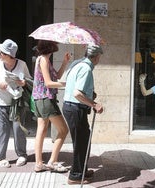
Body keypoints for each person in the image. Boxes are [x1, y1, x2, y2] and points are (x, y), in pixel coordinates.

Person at [63, 44, 104, 185]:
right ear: (96, 56)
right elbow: (77, 93)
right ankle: (75, 175)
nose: (99, 59)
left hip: (71, 107)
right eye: (99, 56)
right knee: (81, 143)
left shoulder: (77, 64)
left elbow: (74, 87)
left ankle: (82, 170)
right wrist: (94, 104)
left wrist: (90, 95)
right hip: (75, 108)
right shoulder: (86, 69)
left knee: (83, 141)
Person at [0, 39, 31, 168]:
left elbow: (29, 80)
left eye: (1, 52)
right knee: (1, 131)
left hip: (17, 102)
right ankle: (0, 158)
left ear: (9, 55)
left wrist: (23, 82)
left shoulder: (22, 64)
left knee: (18, 130)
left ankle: (22, 154)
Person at [32, 40, 70, 173]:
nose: (57, 45)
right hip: (46, 99)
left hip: (39, 99)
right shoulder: (43, 60)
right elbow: (48, 83)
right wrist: (67, 84)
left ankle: (39, 163)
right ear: (51, 47)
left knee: (41, 131)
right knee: (64, 130)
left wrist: (65, 62)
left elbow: (56, 77)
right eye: (55, 44)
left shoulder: (43, 59)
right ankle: (52, 161)